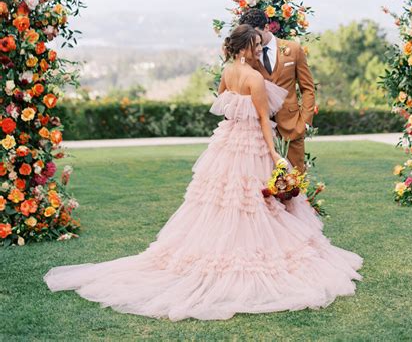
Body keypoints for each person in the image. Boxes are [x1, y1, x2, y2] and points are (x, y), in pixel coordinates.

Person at [43, 24, 362, 322]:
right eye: (252, 47)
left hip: (226, 142)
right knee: (251, 200)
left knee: (223, 199)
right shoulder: (254, 79)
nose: (255, 51)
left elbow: (222, 104)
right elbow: (266, 122)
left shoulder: (227, 72)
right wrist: (274, 154)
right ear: (243, 49)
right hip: (250, 143)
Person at [239, 9, 315, 173]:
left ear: (266, 27)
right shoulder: (247, 57)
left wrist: (305, 123)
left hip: (292, 128)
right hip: (259, 133)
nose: (253, 42)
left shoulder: (293, 49)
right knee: (264, 185)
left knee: (295, 183)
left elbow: (308, 88)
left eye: (256, 35)